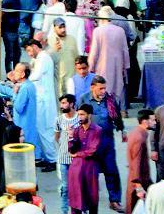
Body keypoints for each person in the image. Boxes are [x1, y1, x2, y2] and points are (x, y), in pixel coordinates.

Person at [77, 76, 125, 212]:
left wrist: (123, 130)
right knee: (90, 173)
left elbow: (117, 117)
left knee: (111, 171)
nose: (103, 91)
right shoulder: (84, 99)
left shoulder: (110, 100)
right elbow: (78, 119)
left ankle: (114, 200)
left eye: (104, 88)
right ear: (92, 87)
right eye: (100, 88)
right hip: (90, 143)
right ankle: (87, 202)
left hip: (107, 142)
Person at [0, 63, 40, 157]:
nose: (14, 73)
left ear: (23, 74)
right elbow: (12, 91)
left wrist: (14, 94)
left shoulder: (24, 88)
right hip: (29, 126)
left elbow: (18, 108)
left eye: (17, 71)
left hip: (23, 126)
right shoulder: (28, 85)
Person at [24, 39, 58, 170]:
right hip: (41, 99)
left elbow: (35, 76)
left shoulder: (43, 58)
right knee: (40, 130)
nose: (29, 54)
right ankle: (46, 157)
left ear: (34, 46)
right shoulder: (39, 59)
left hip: (44, 100)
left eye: (29, 50)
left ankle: (52, 159)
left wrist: (21, 80)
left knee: (45, 131)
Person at [88, 7, 130, 102]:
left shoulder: (98, 31)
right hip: (117, 66)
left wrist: (90, 67)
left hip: (102, 66)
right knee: (117, 91)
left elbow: (94, 52)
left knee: (103, 90)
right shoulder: (120, 31)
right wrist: (125, 67)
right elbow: (125, 51)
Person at [68, 103, 103, 214]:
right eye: (78, 115)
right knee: (76, 198)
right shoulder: (77, 130)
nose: (80, 117)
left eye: (82, 114)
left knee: (92, 196)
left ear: (89, 115)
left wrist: (77, 154)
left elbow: (92, 151)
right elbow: (71, 150)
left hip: (90, 168)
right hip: (76, 168)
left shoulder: (97, 130)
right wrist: (71, 137)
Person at [54, 94, 80, 214]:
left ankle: (79, 208)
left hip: (77, 159)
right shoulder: (59, 120)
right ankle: (64, 210)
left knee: (78, 186)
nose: (62, 106)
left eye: (64, 103)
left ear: (71, 104)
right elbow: (56, 137)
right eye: (61, 103)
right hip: (63, 158)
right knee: (65, 187)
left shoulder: (79, 118)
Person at [127, 109, 155, 214]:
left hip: (141, 179)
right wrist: (138, 186)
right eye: (153, 120)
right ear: (144, 121)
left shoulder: (139, 133)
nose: (155, 122)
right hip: (138, 181)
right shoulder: (139, 137)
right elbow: (136, 162)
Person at [48, 18, 80, 97]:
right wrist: (54, 50)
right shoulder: (50, 40)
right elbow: (47, 59)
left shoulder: (72, 39)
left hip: (70, 77)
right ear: (54, 28)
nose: (63, 30)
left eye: (64, 27)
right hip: (57, 78)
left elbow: (77, 58)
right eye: (60, 27)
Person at [1, 0, 24, 73]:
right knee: (10, 54)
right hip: (8, 31)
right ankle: (9, 74)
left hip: (15, 30)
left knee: (17, 54)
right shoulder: (7, 1)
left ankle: (16, 73)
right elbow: (1, 15)